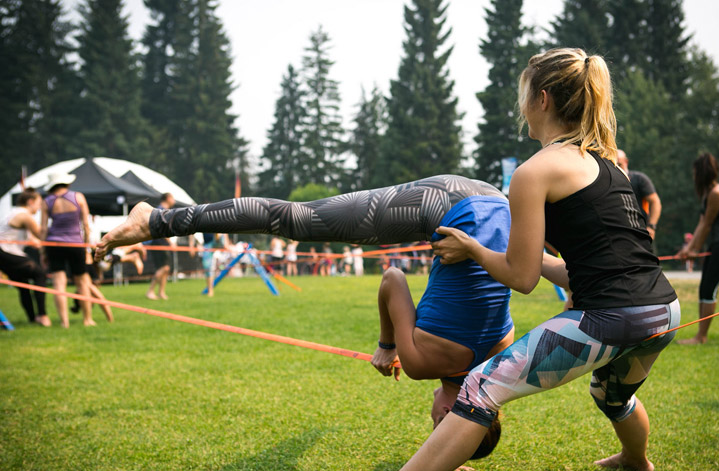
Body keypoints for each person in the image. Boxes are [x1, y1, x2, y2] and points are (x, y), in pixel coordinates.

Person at [319, 48, 680, 471]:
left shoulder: (534, 172)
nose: (521, 105)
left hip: (611, 318)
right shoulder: (604, 163)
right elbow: (582, 268)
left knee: (480, 388)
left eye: (523, 94)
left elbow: (520, 277)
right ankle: (636, 458)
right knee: (611, 395)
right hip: (663, 310)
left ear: (543, 98)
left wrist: (472, 249)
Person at [94, 174, 516, 454]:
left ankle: (158, 219)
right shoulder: (425, 365)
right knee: (293, 219)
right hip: (443, 207)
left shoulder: (504, 352)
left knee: (296, 220)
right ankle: (155, 219)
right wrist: (388, 347)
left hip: (495, 203)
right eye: (438, 428)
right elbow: (392, 278)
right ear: (447, 416)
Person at [676, 153, 719, 345]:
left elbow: (707, 225)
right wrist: (688, 249)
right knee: (704, 288)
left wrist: (694, 251)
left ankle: (701, 337)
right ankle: (700, 336)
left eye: (696, 172)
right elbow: (701, 223)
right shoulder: (708, 193)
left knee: (709, 290)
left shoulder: (717, 193)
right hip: (717, 244)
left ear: (702, 173)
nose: (694, 176)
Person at [41, 172, 96, 328]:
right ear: (67, 183)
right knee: (82, 283)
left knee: (59, 284)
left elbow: (43, 229)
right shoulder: (78, 197)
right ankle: (88, 319)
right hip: (75, 245)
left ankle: (64, 322)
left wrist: (43, 252)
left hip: (54, 245)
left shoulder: (47, 202)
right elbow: (86, 225)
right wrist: (87, 250)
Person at [0, 188, 51, 326]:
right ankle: (42, 315)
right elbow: (42, 234)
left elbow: (33, 240)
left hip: (5, 253)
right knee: (39, 274)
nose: (40, 207)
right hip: (5, 252)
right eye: (39, 204)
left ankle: (32, 318)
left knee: (23, 284)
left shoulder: (13, 213)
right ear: (30, 201)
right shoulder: (25, 216)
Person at [617, 150, 662, 240]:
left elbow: (655, 202)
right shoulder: (608, 181)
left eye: (619, 164)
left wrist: (651, 227)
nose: (617, 168)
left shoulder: (639, 179)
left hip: (640, 231)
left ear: (626, 161)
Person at [145, 192, 176, 300]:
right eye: (173, 197)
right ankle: (150, 291)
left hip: (162, 242)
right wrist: (171, 242)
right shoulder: (161, 210)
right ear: (167, 198)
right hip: (159, 242)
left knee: (166, 269)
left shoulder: (163, 210)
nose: (174, 200)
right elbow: (162, 229)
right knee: (164, 268)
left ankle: (161, 292)